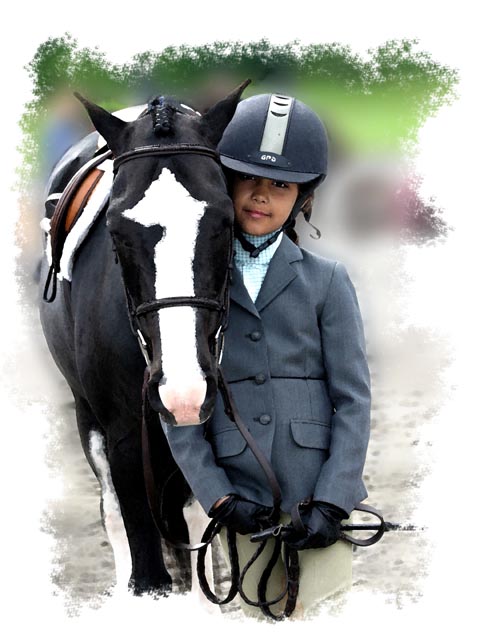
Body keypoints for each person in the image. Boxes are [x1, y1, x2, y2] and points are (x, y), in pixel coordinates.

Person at [161, 93, 371, 618]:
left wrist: (335, 498)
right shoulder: (195, 287)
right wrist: (217, 496)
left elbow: (353, 400)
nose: (261, 195)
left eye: (280, 184)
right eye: (248, 178)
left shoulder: (328, 281)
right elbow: (180, 401)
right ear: (225, 181)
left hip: (318, 494)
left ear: (303, 195)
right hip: (243, 497)